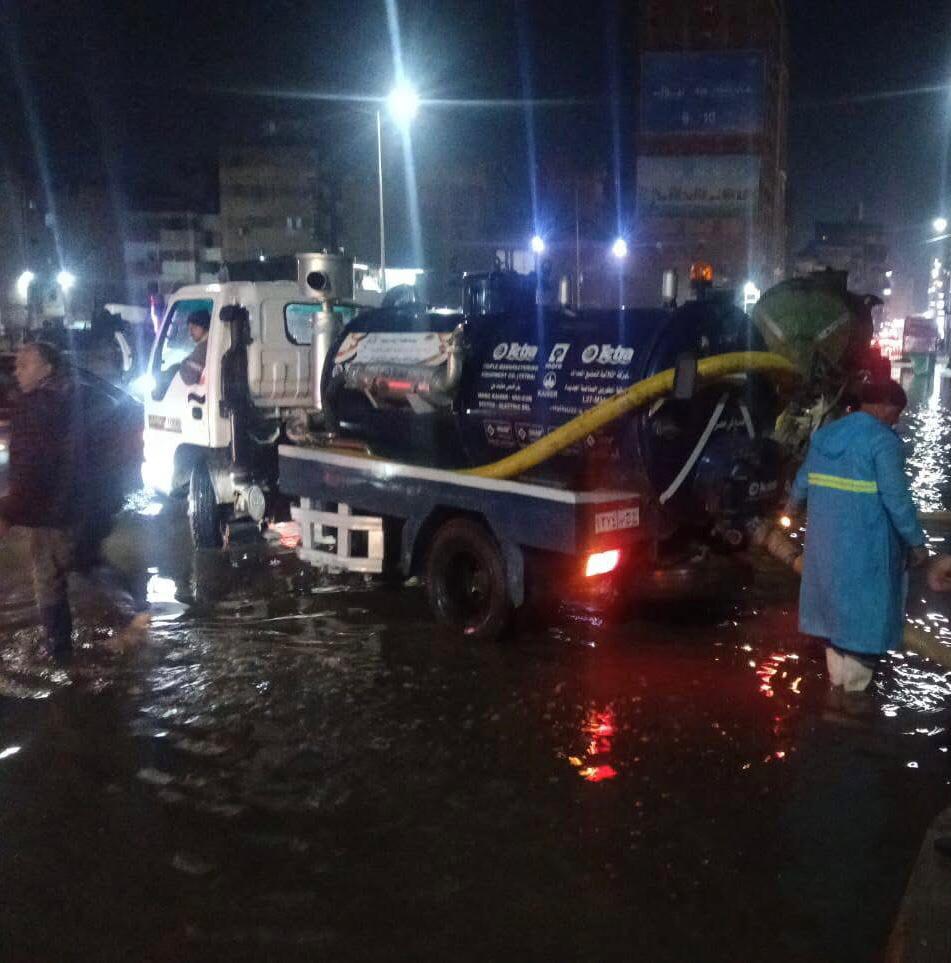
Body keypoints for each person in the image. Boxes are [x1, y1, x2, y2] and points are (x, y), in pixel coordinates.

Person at [0, 342, 147, 658]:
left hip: (58, 510)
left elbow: (31, 466)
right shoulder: (83, 397)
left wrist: (9, 512)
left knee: (56, 573)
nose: (17, 371)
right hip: (85, 504)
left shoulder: (38, 406)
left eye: (25, 364)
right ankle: (132, 607)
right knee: (78, 561)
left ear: (47, 368)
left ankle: (61, 653)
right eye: (16, 365)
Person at [786, 380, 927, 692]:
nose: (896, 421)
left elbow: (802, 482)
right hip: (866, 556)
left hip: (824, 553)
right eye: (896, 412)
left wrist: (791, 508)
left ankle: (835, 703)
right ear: (884, 405)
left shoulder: (825, 436)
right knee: (863, 641)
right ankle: (852, 709)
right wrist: (917, 543)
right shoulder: (883, 442)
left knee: (834, 637)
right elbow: (897, 500)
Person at [179, 308, 210, 386]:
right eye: (189, 329)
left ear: (204, 326)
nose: (190, 333)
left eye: (194, 328)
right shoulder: (209, 343)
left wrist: (183, 363)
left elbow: (189, 378)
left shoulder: (203, 348)